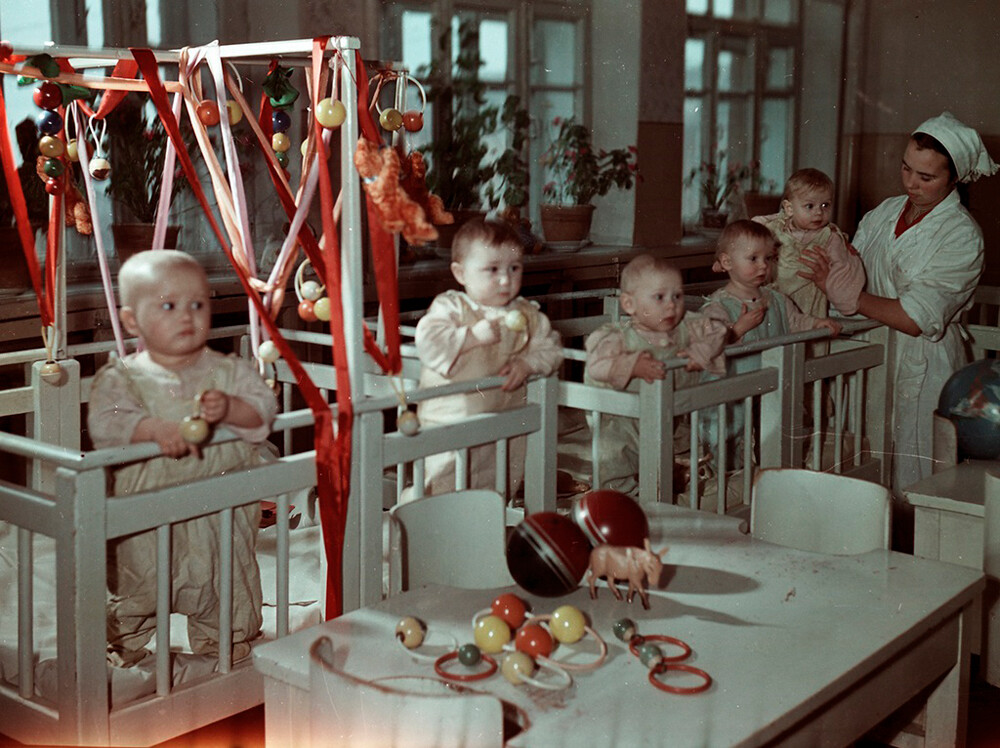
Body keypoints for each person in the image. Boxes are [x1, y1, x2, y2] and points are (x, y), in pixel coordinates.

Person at [88, 250, 278, 666]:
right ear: (133, 321)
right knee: (138, 588)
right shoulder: (122, 376)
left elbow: (264, 414)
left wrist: (231, 408)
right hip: (146, 514)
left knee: (226, 586)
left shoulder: (230, 371)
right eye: (168, 306)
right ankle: (122, 648)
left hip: (220, 512)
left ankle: (228, 651)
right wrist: (154, 430)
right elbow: (105, 423)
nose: (186, 316)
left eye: (197, 304)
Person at [802, 111, 998, 493]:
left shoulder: (961, 236)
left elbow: (915, 318)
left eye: (926, 177)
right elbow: (848, 264)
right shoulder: (884, 213)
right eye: (906, 169)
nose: (911, 183)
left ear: (954, 178)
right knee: (863, 473)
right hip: (868, 357)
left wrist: (849, 297)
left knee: (918, 477)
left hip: (924, 363)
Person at [410, 218, 563, 499]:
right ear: (461, 273)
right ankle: (416, 528)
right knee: (439, 488)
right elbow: (428, 343)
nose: (505, 279)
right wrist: (471, 337)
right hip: (450, 423)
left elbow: (552, 349)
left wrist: (526, 364)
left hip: (503, 426)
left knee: (494, 489)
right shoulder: (452, 307)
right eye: (492, 270)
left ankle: (480, 538)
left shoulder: (527, 314)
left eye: (514, 268)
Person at [700, 220, 842, 467]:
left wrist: (817, 323)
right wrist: (738, 328)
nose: (763, 266)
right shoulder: (718, 305)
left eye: (768, 258)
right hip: (734, 388)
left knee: (774, 428)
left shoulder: (777, 299)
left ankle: (769, 470)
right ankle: (725, 472)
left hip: (774, 385)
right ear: (727, 262)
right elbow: (712, 343)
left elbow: (797, 321)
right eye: (753, 258)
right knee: (728, 432)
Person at [583, 254, 728, 496]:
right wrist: (631, 364)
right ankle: (619, 498)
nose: (671, 305)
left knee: (658, 456)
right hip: (619, 415)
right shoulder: (617, 336)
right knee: (614, 458)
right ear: (629, 305)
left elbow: (719, 331)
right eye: (660, 297)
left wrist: (700, 352)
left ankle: (655, 494)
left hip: (662, 411)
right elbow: (595, 364)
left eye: (677, 296)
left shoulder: (687, 325)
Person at [752, 168, 865, 319]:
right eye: (810, 206)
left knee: (805, 336)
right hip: (774, 300)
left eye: (825, 205)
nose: (819, 212)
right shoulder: (776, 227)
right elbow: (751, 231)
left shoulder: (830, 237)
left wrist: (841, 294)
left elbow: (843, 269)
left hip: (808, 306)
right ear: (789, 208)